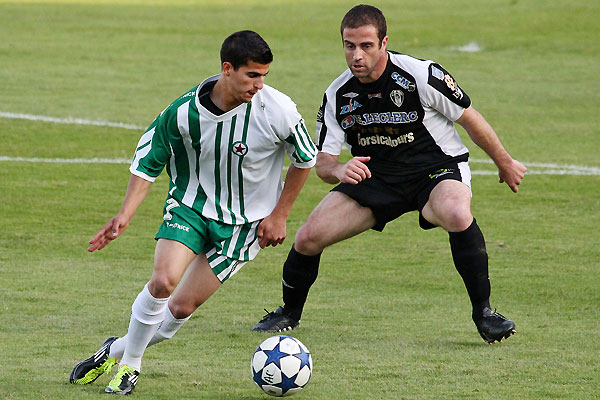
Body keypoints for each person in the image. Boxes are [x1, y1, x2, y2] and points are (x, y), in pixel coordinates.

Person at [253, 5, 526, 344]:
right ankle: (288, 312)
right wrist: (339, 168)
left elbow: (469, 117)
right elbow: (322, 162)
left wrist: (505, 162)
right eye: (349, 45)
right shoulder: (338, 94)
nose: (357, 55)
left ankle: (484, 313)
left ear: (384, 42)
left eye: (366, 45)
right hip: (376, 177)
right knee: (308, 237)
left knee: (456, 212)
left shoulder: (421, 75)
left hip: (434, 170)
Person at [69, 30, 317, 395]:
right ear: (227, 69)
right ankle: (131, 366)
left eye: (264, 75)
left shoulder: (277, 109)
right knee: (163, 282)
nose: (260, 85)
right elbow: (148, 162)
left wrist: (280, 214)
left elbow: (304, 159)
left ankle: (116, 349)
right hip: (190, 208)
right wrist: (124, 215)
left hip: (244, 225)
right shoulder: (183, 113)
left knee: (180, 310)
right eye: (252, 75)